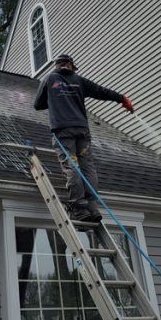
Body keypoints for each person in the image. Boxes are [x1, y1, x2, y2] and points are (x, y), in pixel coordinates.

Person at [34, 54, 134, 222]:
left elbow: (37, 105)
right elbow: (101, 92)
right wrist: (122, 99)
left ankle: (79, 208)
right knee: (87, 167)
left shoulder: (49, 78)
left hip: (63, 130)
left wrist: (54, 98)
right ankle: (92, 207)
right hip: (82, 130)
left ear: (57, 66)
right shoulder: (78, 80)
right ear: (71, 65)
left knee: (71, 166)